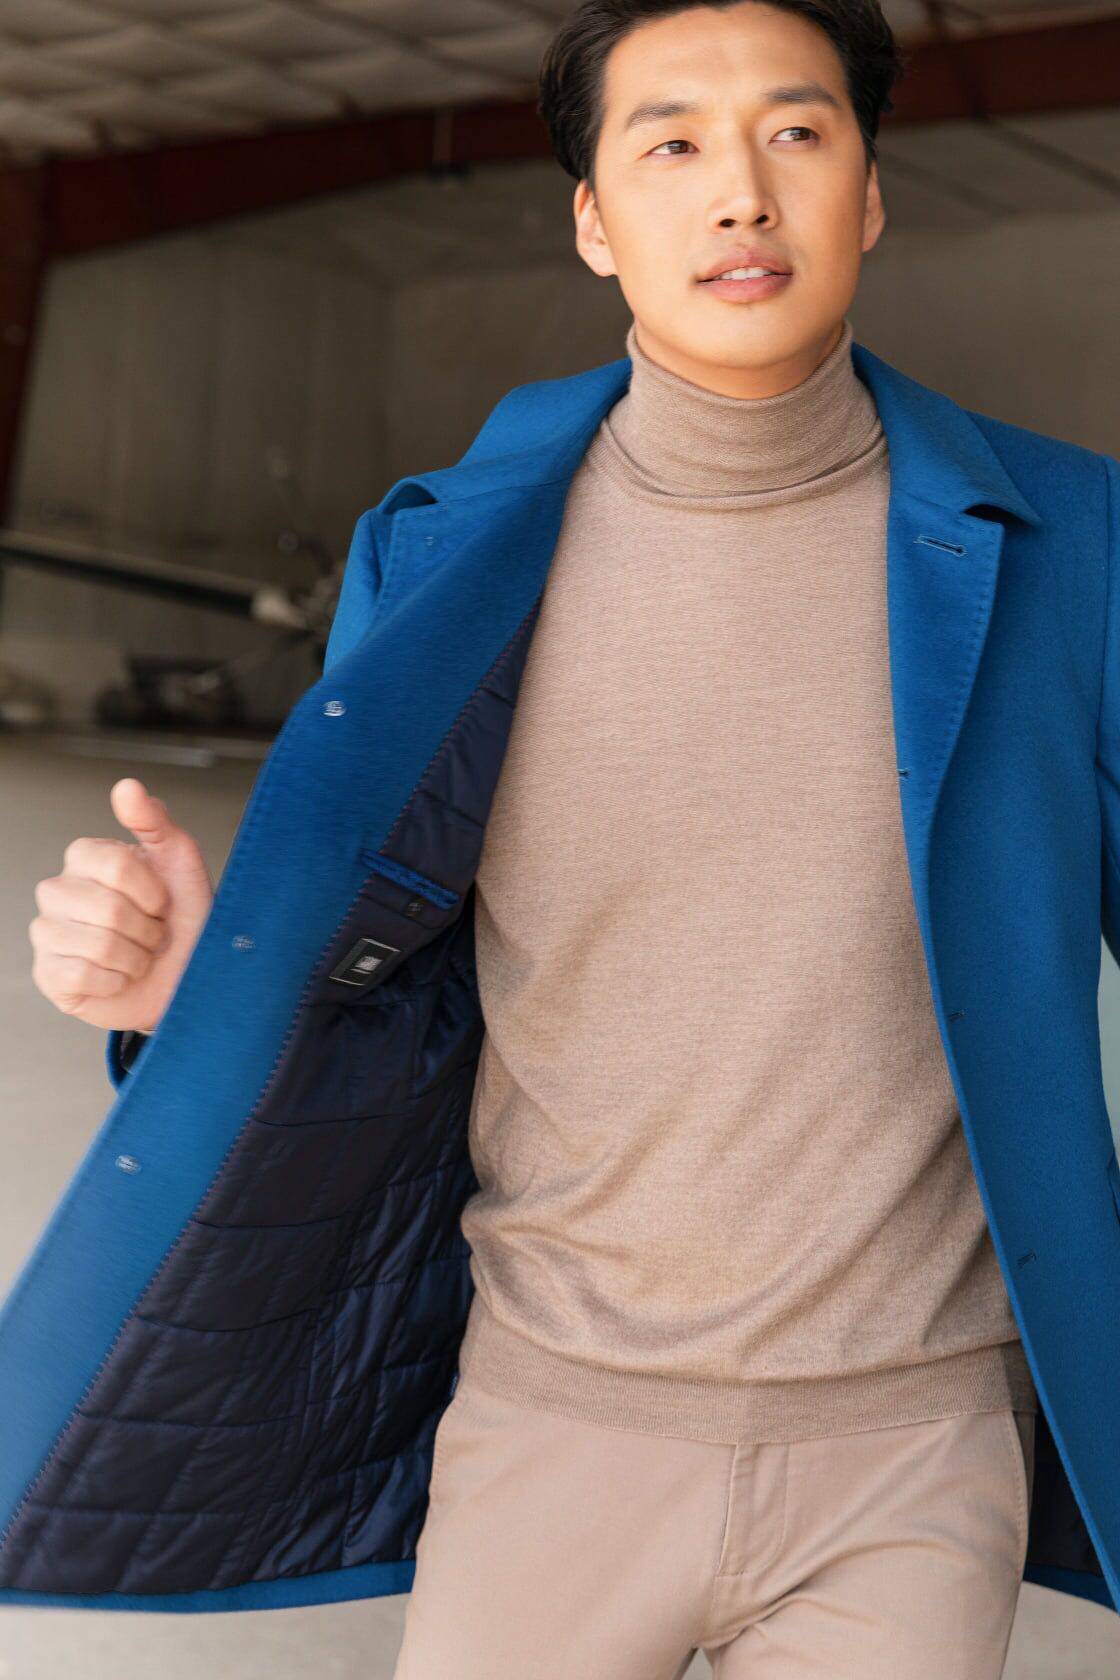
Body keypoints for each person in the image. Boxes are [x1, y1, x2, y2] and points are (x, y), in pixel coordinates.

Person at [26, 0, 1118, 1673]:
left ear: (871, 192)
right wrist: (196, 995)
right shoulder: (440, 558)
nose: (741, 190)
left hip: (914, 1455)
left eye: (797, 131)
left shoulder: (1069, 549)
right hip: (550, 1427)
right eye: (673, 142)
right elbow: (396, 983)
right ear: (596, 220)